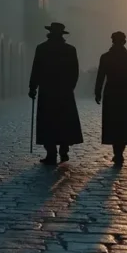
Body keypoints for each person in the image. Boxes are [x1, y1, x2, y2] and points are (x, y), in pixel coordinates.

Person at [28, 22, 84, 165]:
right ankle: (64, 150)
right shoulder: (70, 50)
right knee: (64, 121)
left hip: (47, 91)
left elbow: (36, 69)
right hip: (64, 91)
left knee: (48, 122)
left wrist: (33, 87)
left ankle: (51, 153)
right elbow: (75, 71)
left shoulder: (42, 49)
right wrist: (70, 86)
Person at [95, 31, 127, 165]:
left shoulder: (106, 57)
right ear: (124, 42)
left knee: (113, 123)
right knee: (124, 124)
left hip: (111, 93)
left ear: (112, 41)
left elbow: (100, 76)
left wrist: (97, 92)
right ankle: (120, 152)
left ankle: (117, 153)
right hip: (125, 94)